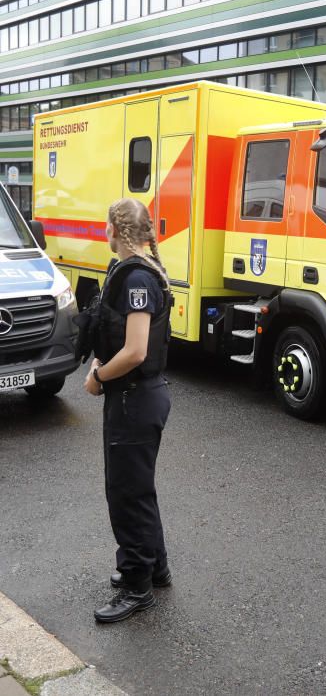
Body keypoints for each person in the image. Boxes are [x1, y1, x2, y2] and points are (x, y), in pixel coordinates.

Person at [83, 198, 173, 623]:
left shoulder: (137, 277)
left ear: (114, 231)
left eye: (106, 227)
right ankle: (155, 568)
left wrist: (98, 379)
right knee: (138, 488)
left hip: (133, 397)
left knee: (126, 493)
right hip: (139, 396)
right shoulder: (142, 271)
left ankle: (136, 585)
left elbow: (136, 350)